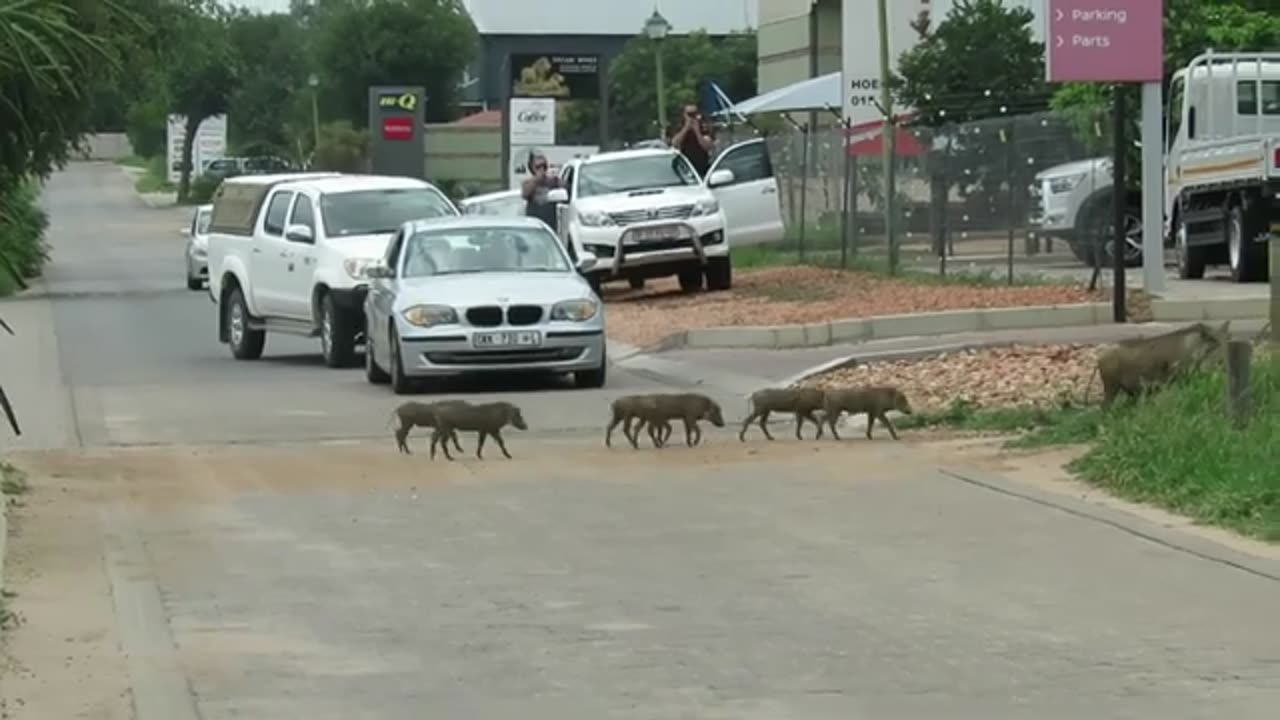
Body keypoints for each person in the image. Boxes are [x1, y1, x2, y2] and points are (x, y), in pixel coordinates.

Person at [520, 149, 563, 231]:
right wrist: (537, 179)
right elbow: (525, 194)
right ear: (532, 168)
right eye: (538, 167)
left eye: (543, 166)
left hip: (550, 226)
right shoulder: (527, 183)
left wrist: (556, 177)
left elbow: (565, 190)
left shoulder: (553, 181)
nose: (541, 169)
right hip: (533, 226)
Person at [669, 104, 714, 178]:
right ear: (684, 114)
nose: (692, 116)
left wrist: (697, 131)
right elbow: (675, 143)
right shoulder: (680, 126)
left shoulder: (703, 126)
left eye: (694, 113)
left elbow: (707, 146)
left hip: (702, 166)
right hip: (685, 166)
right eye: (689, 114)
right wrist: (686, 128)